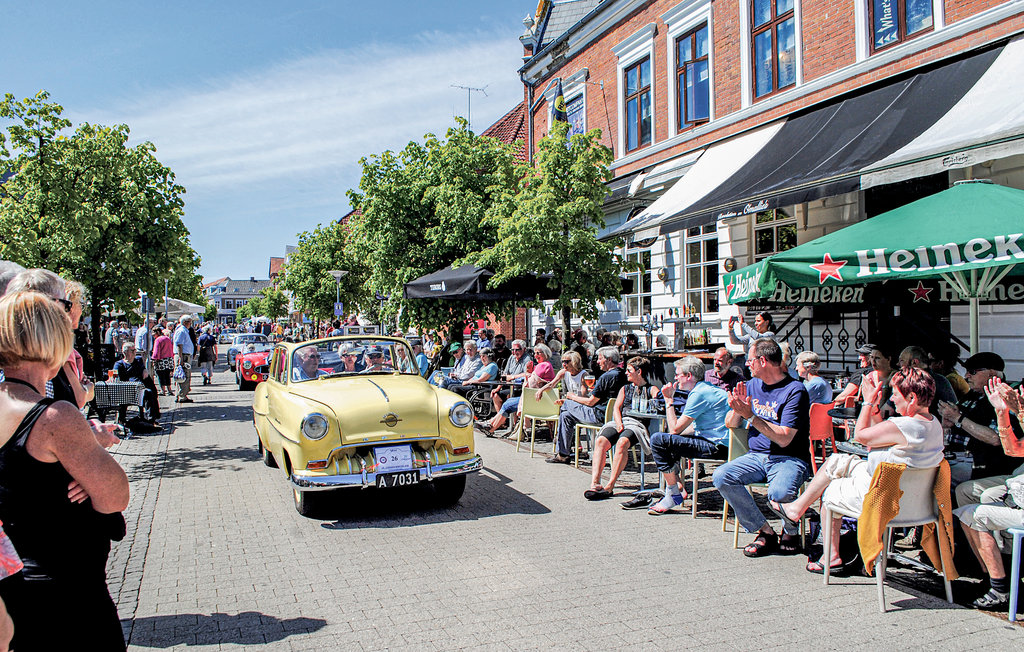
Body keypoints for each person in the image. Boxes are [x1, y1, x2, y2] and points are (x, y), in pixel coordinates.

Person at [0, 291, 130, 650]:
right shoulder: (53, 416)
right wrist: (88, 474)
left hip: (14, 590)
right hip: (68, 594)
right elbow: (116, 494)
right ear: (52, 341)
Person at [772, 367, 943, 574]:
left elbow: (861, 436)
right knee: (837, 461)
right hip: (916, 499)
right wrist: (875, 411)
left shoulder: (904, 425)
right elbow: (879, 437)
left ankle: (831, 556)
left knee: (832, 491)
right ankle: (796, 509)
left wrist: (868, 402)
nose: (893, 400)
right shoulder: (933, 424)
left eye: (896, 395)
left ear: (912, 397)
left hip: (885, 497)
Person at [712, 338, 811, 557]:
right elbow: (731, 423)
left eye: (750, 360)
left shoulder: (795, 391)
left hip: (789, 457)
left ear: (763, 361)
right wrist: (737, 407)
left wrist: (751, 416)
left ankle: (791, 530)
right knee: (722, 476)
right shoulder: (752, 385)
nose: (747, 365)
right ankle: (764, 531)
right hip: (756, 456)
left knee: (779, 492)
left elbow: (784, 439)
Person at [647, 356, 732, 514]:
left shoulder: (699, 393)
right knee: (666, 441)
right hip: (723, 443)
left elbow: (675, 429)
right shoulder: (708, 388)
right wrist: (672, 438)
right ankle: (677, 485)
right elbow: (691, 428)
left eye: (678, 374)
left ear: (688, 376)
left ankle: (673, 492)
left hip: (717, 447)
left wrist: (668, 400)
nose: (675, 378)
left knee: (658, 440)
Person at [585, 356, 659, 500]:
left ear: (639, 371)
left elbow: (658, 404)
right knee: (600, 441)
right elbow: (616, 408)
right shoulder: (625, 389)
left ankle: (610, 485)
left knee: (622, 442)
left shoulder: (652, 390)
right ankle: (595, 482)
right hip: (622, 421)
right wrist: (619, 423)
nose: (626, 373)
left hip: (638, 425)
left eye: (629, 370)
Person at [941, 352, 1020, 485]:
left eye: (972, 372)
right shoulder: (972, 396)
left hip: (982, 464)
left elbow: (996, 439)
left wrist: (958, 418)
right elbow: (953, 425)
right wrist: (947, 424)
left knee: (935, 478)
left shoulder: (1006, 398)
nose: (966, 376)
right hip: (955, 457)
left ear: (992, 374)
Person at [548, 347, 626, 464]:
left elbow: (590, 402)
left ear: (609, 359)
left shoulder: (606, 377)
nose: (597, 362)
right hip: (613, 415)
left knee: (566, 404)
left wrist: (571, 397)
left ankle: (561, 445)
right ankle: (563, 453)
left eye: (600, 359)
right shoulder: (622, 374)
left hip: (599, 415)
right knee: (566, 416)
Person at [478, 344, 554, 436]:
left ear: (545, 354)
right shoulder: (544, 365)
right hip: (539, 398)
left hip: (537, 400)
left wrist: (527, 374)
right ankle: (490, 425)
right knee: (508, 401)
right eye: (535, 353)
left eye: (538, 353)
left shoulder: (543, 365)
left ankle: (491, 427)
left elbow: (531, 382)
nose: (535, 355)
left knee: (508, 404)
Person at [896, 345, 956, 418]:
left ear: (914, 362)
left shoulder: (939, 381)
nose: (898, 364)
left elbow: (887, 410)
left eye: (901, 361)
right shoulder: (941, 380)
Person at [113, 342, 162, 427]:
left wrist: (145, 369)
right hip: (126, 390)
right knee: (122, 398)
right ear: (125, 352)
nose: (134, 352)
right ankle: (121, 419)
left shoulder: (138, 360)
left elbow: (143, 368)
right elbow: (114, 376)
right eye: (132, 350)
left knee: (149, 393)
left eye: (135, 350)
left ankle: (151, 419)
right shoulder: (119, 364)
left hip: (140, 388)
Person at [490, 339, 532, 417]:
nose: (514, 352)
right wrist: (498, 388)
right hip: (510, 386)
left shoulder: (527, 359)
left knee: (510, 397)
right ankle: (502, 422)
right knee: (496, 396)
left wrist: (512, 377)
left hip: (520, 389)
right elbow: (505, 375)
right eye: (512, 350)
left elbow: (527, 374)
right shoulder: (512, 357)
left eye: (517, 350)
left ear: (524, 349)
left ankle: (513, 423)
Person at [173, 314, 195, 403]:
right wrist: (181, 358)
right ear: (186, 322)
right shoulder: (182, 331)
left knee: (181, 375)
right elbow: (179, 344)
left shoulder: (184, 330)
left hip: (185, 355)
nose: (191, 324)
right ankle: (182, 396)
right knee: (183, 375)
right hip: (184, 356)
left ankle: (180, 394)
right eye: (190, 322)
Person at [152, 328, 174, 395]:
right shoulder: (167, 338)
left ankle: (163, 390)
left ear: (157, 332)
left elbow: (156, 351)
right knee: (167, 375)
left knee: (160, 375)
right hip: (169, 359)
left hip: (161, 360)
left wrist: (154, 359)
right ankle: (169, 390)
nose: (153, 335)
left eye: (154, 334)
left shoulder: (158, 340)